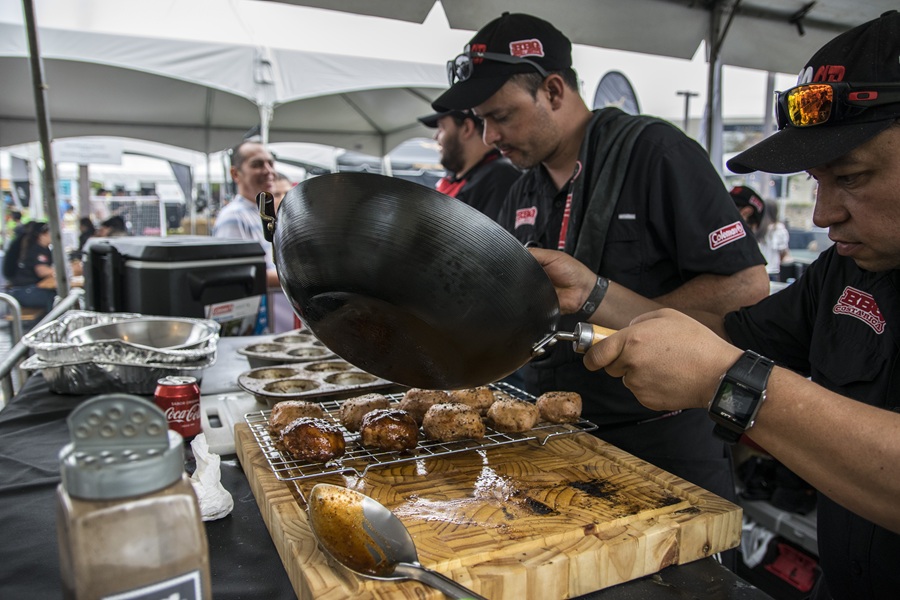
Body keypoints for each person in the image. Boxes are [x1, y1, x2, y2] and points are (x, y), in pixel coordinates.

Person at [530, 11, 900, 599]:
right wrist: (594, 294)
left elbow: (725, 360)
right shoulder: (846, 268)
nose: (823, 213)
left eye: (851, 177)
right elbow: (730, 333)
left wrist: (728, 381)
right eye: (816, 181)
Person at [434, 12, 770, 509]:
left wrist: (603, 299)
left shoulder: (656, 153)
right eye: (482, 120)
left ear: (553, 91)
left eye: (500, 116)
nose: (488, 136)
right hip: (553, 434)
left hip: (661, 442)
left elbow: (747, 289)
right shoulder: (522, 187)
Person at [417, 109, 521, 222]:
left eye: (442, 128)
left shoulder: (499, 177)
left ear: (467, 128)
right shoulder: (456, 179)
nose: (435, 137)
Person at [213, 140, 279, 288]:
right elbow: (237, 274)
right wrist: (300, 279)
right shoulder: (234, 217)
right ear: (235, 173)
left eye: (270, 163)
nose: (268, 171)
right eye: (257, 164)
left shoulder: (263, 214)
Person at [730, 186, 791, 281]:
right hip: (770, 272)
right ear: (746, 213)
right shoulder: (778, 229)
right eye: (751, 228)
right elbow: (783, 254)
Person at [5, 221, 56, 316]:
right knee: (54, 298)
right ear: (41, 235)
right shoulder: (35, 249)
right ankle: (49, 323)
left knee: (55, 295)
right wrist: (61, 270)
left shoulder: (42, 248)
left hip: (28, 289)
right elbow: (42, 271)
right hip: (24, 290)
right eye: (49, 233)